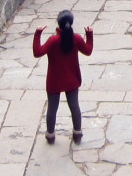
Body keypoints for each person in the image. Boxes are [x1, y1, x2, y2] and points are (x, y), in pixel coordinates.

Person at [33, 10, 93, 144]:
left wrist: (38, 34)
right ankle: (77, 133)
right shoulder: (76, 38)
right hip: (72, 79)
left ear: (58, 24)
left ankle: (50, 135)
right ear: (71, 23)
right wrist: (89, 35)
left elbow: (37, 52)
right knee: (74, 106)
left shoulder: (53, 40)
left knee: (52, 109)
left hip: (55, 80)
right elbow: (88, 50)